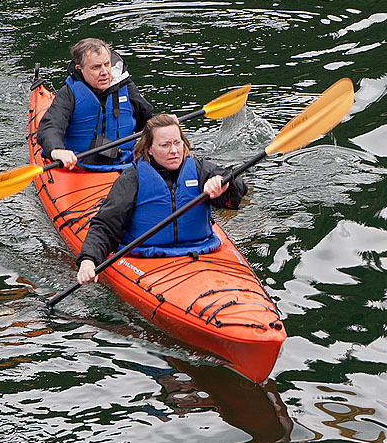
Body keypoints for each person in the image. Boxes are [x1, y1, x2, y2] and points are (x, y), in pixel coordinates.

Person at [76, 114, 248, 285]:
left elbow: (237, 192)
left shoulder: (199, 169)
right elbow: (106, 225)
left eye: (177, 143)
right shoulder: (132, 179)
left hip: (201, 250)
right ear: (149, 148)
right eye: (165, 145)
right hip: (146, 256)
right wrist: (89, 260)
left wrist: (224, 184)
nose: (173, 151)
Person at [36, 38, 154, 170]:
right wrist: (56, 150)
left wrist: (164, 122)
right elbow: (50, 126)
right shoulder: (69, 93)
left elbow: (148, 119)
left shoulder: (124, 85)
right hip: (80, 166)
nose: (104, 72)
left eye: (107, 64)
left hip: (126, 162)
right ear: (80, 69)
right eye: (96, 67)